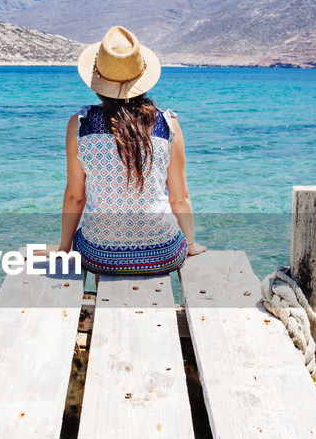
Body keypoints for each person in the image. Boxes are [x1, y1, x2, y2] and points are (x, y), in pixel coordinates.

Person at [43, 25, 206, 275]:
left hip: (100, 255)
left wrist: (65, 248)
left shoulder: (80, 124)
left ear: (98, 81)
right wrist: (190, 244)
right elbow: (179, 197)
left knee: (85, 236)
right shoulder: (167, 124)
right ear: (142, 78)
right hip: (164, 254)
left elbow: (76, 196)